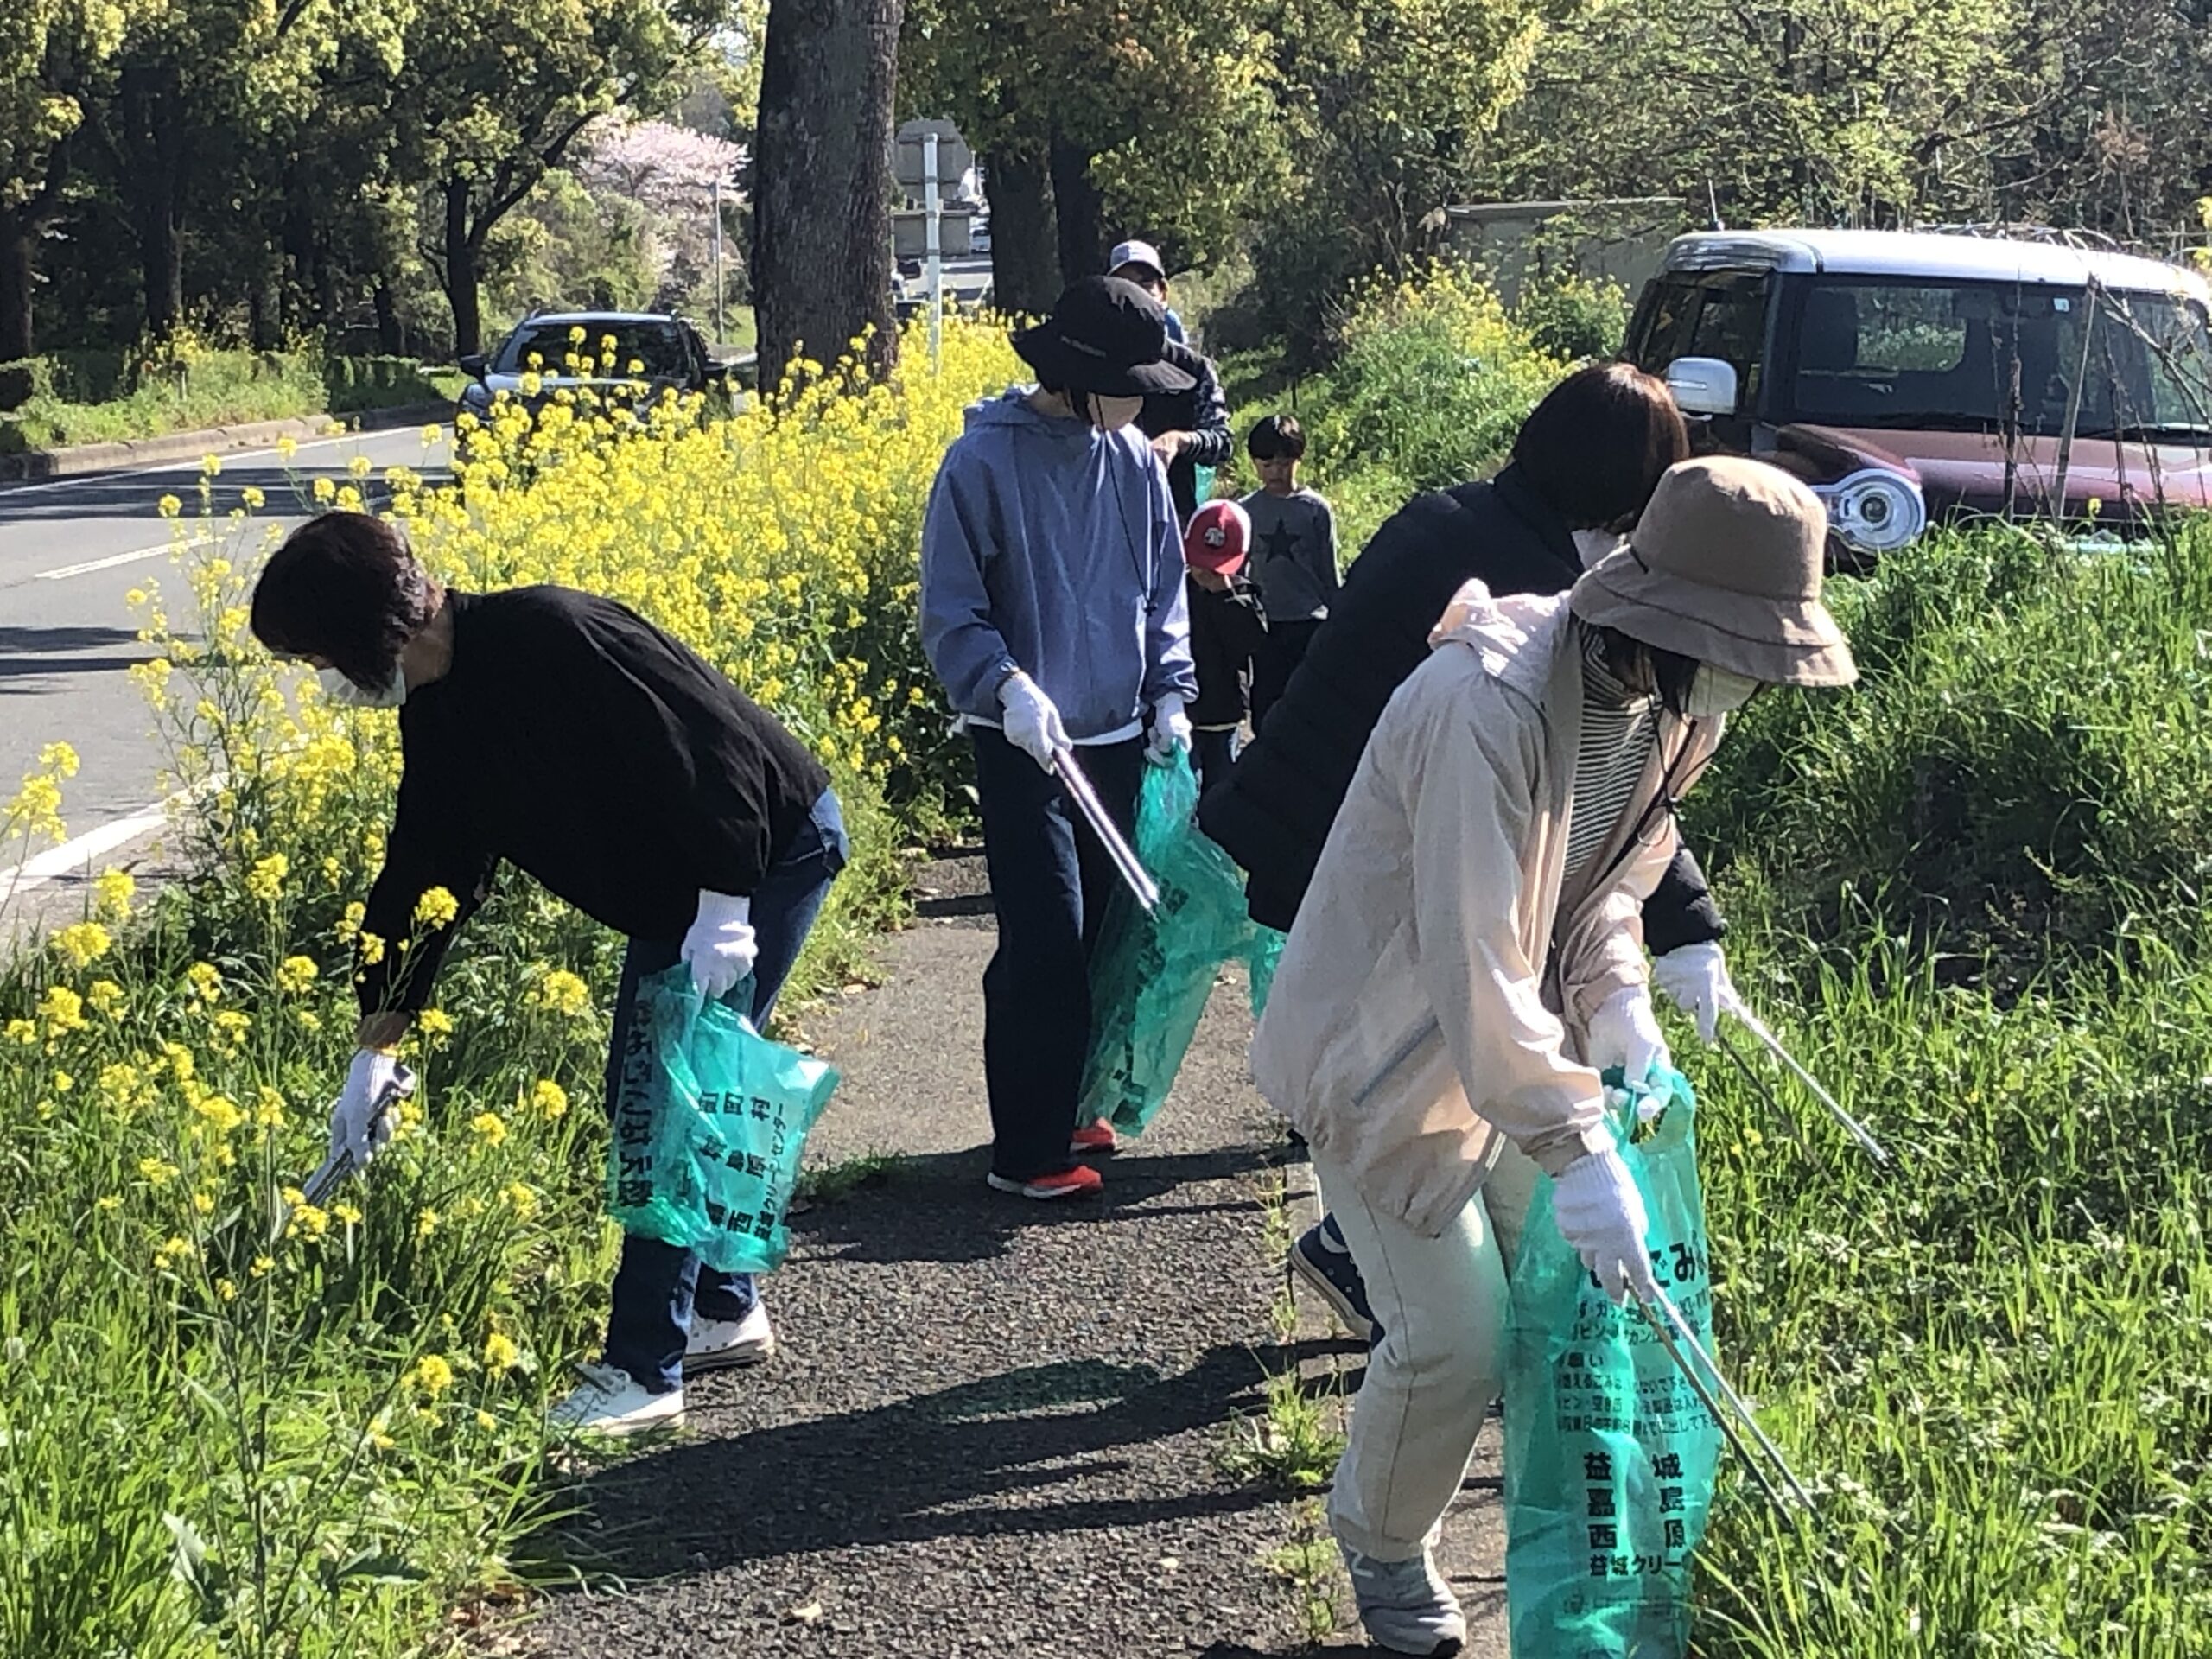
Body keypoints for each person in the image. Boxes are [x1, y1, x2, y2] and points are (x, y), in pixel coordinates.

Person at [1253, 457, 1856, 1654]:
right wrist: (1580, 1150)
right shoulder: (1486, 707)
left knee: (1572, 1308)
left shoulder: (1670, 708)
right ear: (1667, 616)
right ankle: (1379, 1544)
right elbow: (1471, 949)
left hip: (1514, 1047)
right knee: (1454, 1335)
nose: (1753, 680)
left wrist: (1624, 995)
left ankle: (1569, 1549)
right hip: (1379, 1051)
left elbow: (1603, 882)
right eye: (1745, 648)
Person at [248, 514, 847, 1439]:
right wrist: (377, 1043)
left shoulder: (551, 634)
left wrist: (728, 903)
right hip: (678, 890)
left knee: (660, 1100)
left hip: (764, 850)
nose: (321, 684)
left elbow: (712, 750)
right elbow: (426, 875)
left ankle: (645, 1369)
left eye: (316, 658)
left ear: (372, 629)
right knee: (672, 1092)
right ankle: (722, 1308)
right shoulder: (440, 716)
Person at [1199, 365, 1724, 1343]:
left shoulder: (1453, 518)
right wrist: (1679, 932)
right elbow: (1586, 775)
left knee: (1414, 1051)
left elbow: (1613, 800)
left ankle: (1375, 1250)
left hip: (1317, 812)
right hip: (1372, 841)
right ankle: (1370, 1258)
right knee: (1401, 1054)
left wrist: (1680, 920)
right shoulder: (1545, 585)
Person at [920, 276, 1198, 1198]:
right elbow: (951, 611)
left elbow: (1165, 588)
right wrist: (1004, 686)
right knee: (1046, 935)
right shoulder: (980, 463)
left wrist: (1170, 693)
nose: (1138, 403)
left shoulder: (1132, 463)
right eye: (1127, 384)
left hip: (1120, 733)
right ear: (1077, 376)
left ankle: (1070, 1104)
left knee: (1106, 935)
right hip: (1022, 740)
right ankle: (1026, 1154)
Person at [1239, 414, 1338, 724]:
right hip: (1264, 623)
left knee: (1308, 705)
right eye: (1266, 464)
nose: (1275, 472)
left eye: (1283, 463)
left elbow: (1328, 569)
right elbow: (1238, 571)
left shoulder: (1315, 509)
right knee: (1265, 707)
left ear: (1298, 460)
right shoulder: (1245, 511)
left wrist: (1338, 617)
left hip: (1308, 621)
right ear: (1254, 464)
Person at [1180, 500, 1268, 791]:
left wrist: (1224, 595)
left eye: (1217, 568)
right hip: (1184, 713)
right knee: (1182, 791)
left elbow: (1250, 643)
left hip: (1222, 714)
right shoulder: (1177, 591)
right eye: (1200, 564)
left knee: (1219, 787)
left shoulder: (1244, 598)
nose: (1206, 574)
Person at [1109, 238, 1188, 343]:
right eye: (1123, 285)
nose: (1135, 293)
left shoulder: (1171, 323)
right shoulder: (1097, 327)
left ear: (1163, 291)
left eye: (1145, 284)